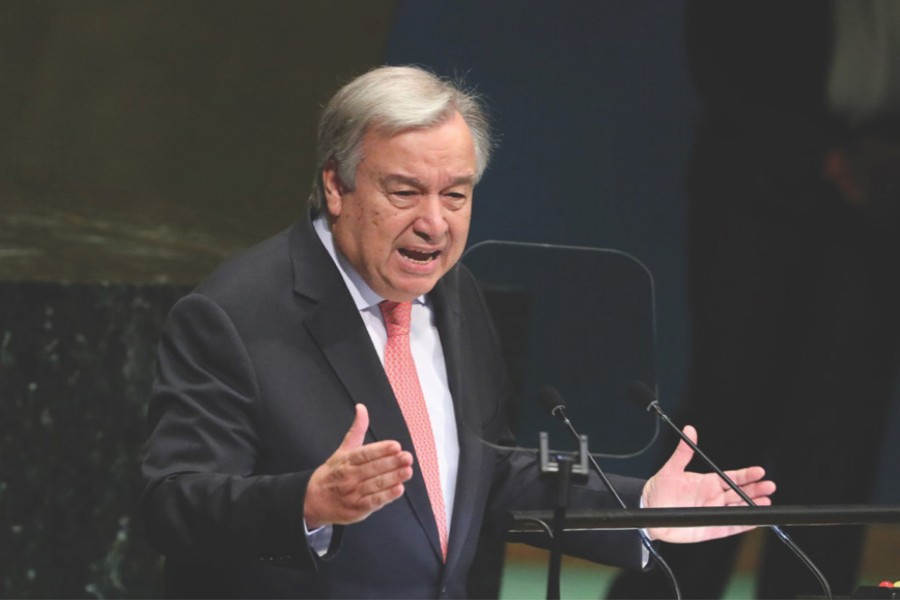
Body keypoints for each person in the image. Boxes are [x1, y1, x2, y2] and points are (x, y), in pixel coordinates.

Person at [139, 65, 775, 599]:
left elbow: (480, 473)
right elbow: (173, 505)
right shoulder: (234, 313)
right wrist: (306, 502)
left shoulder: (453, 293)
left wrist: (639, 508)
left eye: (457, 196)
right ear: (337, 185)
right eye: (406, 192)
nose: (435, 224)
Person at [607, 2, 900, 599]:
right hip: (758, 199)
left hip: (875, 215)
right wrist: (822, 155)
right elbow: (721, 57)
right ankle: (667, 590)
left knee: (841, 440)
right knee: (727, 417)